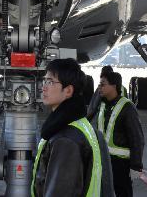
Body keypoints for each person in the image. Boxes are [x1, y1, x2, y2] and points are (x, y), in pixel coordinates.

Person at [32, 58, 113, 197]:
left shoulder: (65, 141)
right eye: (44, 81)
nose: (43, 87)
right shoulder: (81, 125)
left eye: (50, 82)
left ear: (68, 90)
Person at [89, 68, 144, 196]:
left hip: (120, 164)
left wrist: (136, 166)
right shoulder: (102, 105)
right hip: (103, 159)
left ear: (113, 86)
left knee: (123, 193)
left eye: (102, 84)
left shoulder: (127, 107)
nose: (99, 88)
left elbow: (137, 138)